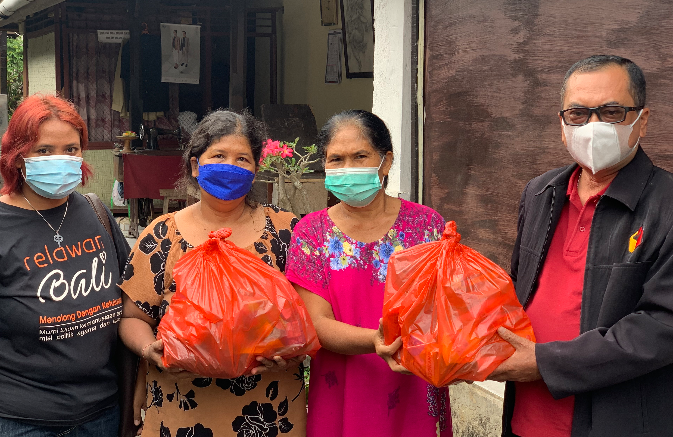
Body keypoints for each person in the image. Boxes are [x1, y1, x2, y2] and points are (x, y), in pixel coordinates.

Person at [489, 55, 673, 436]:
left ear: (643, 121)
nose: (593, 127)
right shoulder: (540, 192)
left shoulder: (666, 205)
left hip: (616, 420)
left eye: (611, 112)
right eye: (578, 114)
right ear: (562, 124)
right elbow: (518, 291)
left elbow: (662, 326)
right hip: (527, 415)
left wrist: (545, 363)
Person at [118, 109, 308, 437]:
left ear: (255, 168)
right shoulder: (161, 235)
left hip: (269, 410)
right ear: (195, 165)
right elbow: (133, 317)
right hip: (181, 409)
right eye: (218, 155)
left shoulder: (287, 232)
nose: (230, 167)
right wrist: (150, 351)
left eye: (242, 159)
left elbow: (307, 317)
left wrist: (289, 349)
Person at [0, 94, 131, 437]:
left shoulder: (96, 214)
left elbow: (135, 297)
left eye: (71, 149)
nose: (61, 159)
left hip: (100, 414)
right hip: (11, 419)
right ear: (18, 157)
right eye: (44, 150)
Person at [285, 110, 453, 437]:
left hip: (413, 384)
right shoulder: (311, 233)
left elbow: (444, 308)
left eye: (361, 156)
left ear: (386, 162)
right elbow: (315, 324)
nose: (349, 168)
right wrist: (376, 341)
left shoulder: (427, 226)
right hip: (342, 389)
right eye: (336, 159)